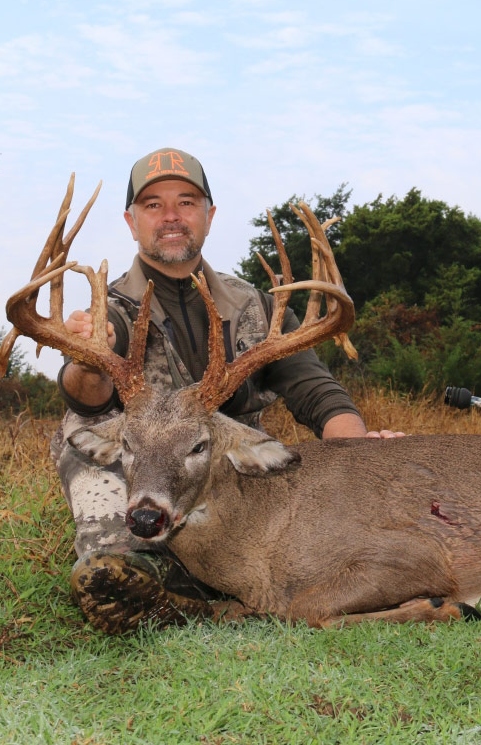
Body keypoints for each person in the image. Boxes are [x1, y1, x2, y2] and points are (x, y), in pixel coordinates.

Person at [56, 147, 400, 633]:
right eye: (153, 205)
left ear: (209, 216)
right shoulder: (110, 308)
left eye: (186, 202)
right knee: (113, 564)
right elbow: (85, 397)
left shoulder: (256, 305)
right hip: (132, 459)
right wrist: (90, 356)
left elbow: (311, 386)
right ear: (132, 222)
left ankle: (207, 585)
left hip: (224, 467)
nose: (171, 216)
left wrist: (360, 450)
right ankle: (138, 567)